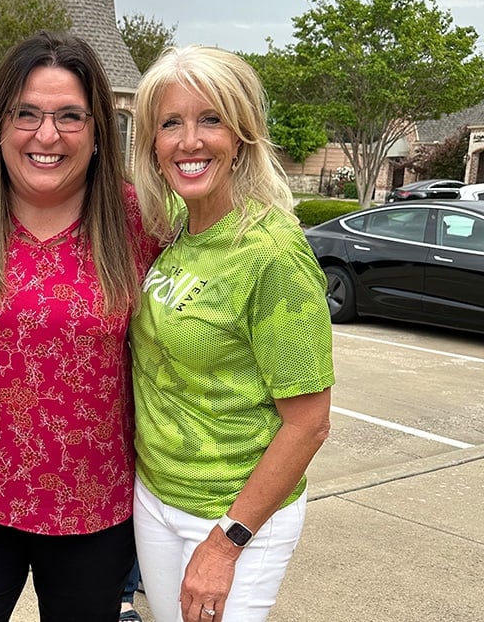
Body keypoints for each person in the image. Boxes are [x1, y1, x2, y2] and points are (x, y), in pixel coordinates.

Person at [0, 30, 160, 622]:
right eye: (27, 114)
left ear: (99, 131)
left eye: (70, 116)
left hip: (93, 512)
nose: (47, 136)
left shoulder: (140, 223)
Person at [128, 44, 335, 622]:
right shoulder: (174, 233)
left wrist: (225, 543)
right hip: (157, 495)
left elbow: (309, 423)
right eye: (171, 123)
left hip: (233, 515)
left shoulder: (272, 254)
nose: (189, 141)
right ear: (152, 141)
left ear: (243, 133)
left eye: (210, 119)